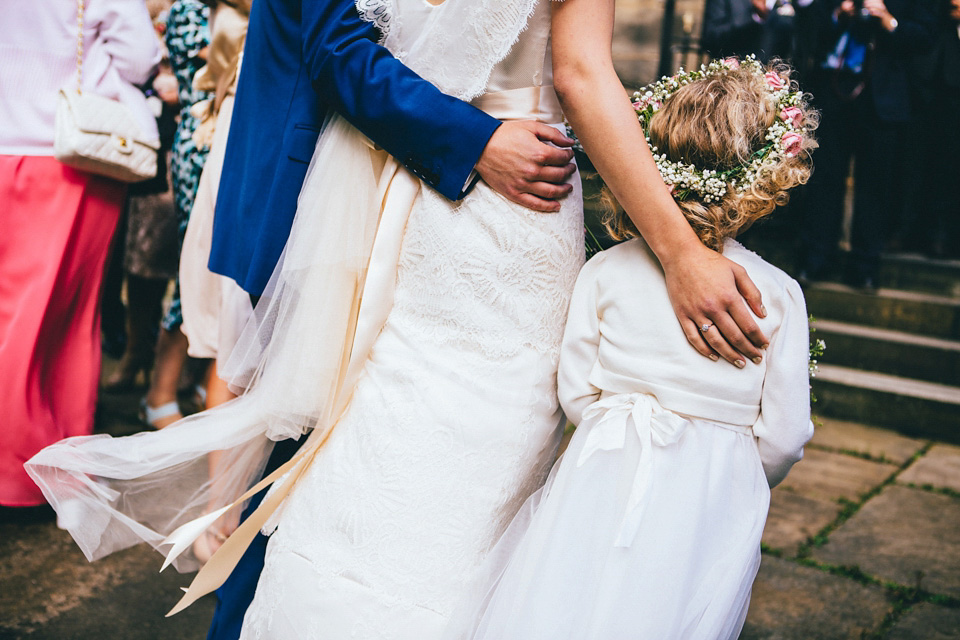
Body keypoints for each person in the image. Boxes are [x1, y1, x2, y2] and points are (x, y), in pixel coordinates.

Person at [27, 0, 772, 636]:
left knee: (375, 439)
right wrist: (679, 252)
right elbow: (579, 73)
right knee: (444, 463)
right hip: (499, 204)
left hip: (419, 201)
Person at [450, 58, 816, 640]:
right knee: (674, 602)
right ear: (767, 180)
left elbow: (576, 388)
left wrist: (607, 427)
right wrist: (738, 468)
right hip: (711, 480)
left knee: (572, 588)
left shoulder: (604, 270)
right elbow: (787, 431)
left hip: (605, 460)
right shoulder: (777, 293)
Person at [0, 0, 160, 507]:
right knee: (66, 320)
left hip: (6, 146)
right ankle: (40, 468)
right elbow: (140, 60)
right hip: (67, 150)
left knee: (11, 312)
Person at [798, 0, 935, 288]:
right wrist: (839, 14)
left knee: (876, 184)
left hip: (882, 96)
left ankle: (865, 267)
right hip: (832, 89)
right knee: (824, 178)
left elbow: (925, 37)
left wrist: (887, 19)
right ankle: (817, 259)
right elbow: (808, 23)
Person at [140, 0, 213, 428]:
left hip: (230, 145)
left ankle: (203, 381)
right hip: (200, 146)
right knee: (193, 269)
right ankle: (159, 393)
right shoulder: (190, 9)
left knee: (223, 278)